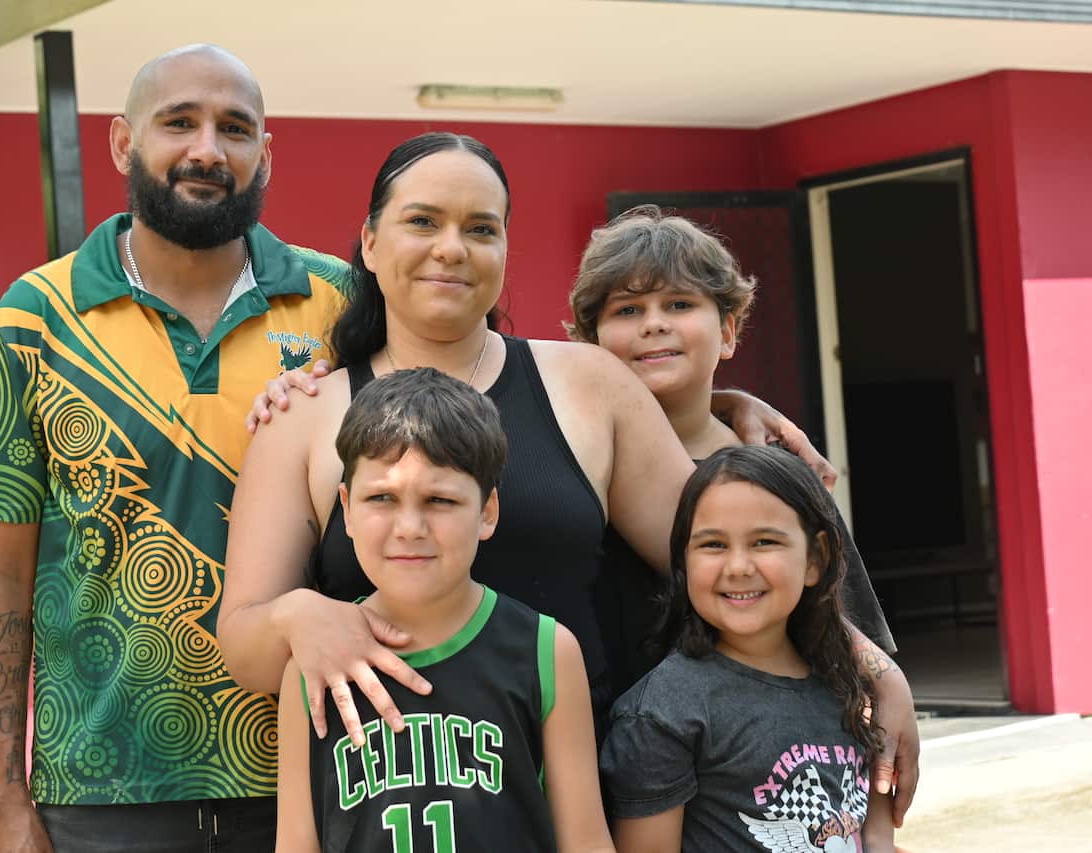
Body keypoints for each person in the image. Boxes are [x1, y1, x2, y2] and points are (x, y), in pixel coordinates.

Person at [216, 132, 859, 753]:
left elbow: (721, 557)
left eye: (480, 228)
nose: (451, 248)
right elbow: (244, 637)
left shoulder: (592, 385)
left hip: (586, 793)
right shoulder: (302, 417)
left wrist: (870, 671)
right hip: (390, 803)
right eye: (422, 222)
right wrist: (297, 617)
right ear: (371, 244)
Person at [0, 45, 349, 852]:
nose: (208, 148)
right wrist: (2, 803)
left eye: (234, 128)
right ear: (122, 144)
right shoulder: (33, 318)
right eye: (180, 122)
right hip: (100, 794)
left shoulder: (340, 305)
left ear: (264, 155)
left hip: (318, 771)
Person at [566, 208, 916, 823]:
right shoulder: (572, 467)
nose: (653, 325)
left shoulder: (776, 471)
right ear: (590, 344)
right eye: (626, 310)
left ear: (728, 332)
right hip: (624, 774)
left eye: (679, 305)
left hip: (775, 777)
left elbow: (846, 625)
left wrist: (890, 686)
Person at [276, 367, 613, 852]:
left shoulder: (547, 650)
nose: (410, 527)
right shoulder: (311, 666)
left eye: (439, 499)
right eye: (382, 498)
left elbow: (585, 842)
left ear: (487, 512)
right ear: (346, 510)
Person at [600, 445, 896, 852]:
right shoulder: (662, 713)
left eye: (763, 541)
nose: (738, 566)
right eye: (713, 545)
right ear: (684, 561)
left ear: (816, 558)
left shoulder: (846, 685)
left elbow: (877, 836)